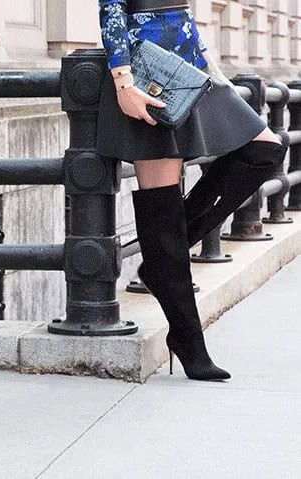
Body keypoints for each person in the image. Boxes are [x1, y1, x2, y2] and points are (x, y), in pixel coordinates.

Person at [98, 0, 286, 381]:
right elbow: (111, 10)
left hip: (189, 71)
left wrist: (215, 72)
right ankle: (188, 341)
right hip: (149, 73)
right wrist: (124, 83)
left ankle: (163, 261)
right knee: (163, 207)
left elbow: (180, 12)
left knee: (265, 148)